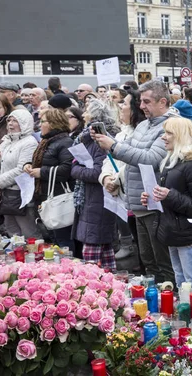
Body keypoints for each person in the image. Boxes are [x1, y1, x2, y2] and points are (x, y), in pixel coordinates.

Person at [93, 80, 175, 284]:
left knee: (163, 262)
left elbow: (151, 158)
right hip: (139, 203)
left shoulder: (171, 125)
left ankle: (171, 303)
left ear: (162, 102)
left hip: (156, 204)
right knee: (148, 259)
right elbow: (125, 152)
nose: (142, 106)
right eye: (141, 101)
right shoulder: (144, 125)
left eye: (147, 102)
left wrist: (114, 146)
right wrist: (110, 173)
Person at [141, 117, 192, 293]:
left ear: (181, 136)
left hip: (188, 236)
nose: (163, 137)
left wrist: (170, 196)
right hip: (176, 233)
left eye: (169, 133)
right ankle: (189, 320)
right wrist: (154, 199)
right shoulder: (174, 162)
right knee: (182, 284)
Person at [70, 100, 120, 270]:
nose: (83, 114)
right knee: (104, 249)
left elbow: (98, 173)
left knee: (92, 249)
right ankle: (109, 282)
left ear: (95, 116)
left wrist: (75, 169)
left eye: (87, 111)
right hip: (93, 199)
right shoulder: (88, 138)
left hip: (97, 200)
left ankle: (95, 287)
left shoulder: (99, 141)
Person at [99, 89, 146, 261]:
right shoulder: (121, 133)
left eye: (124, 103)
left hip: (135, 194)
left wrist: (117, 180)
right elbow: (108, 160)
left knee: (145, 246)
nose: (120, 106)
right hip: (122, 193)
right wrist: (106, 178)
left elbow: (134, 163)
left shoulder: (141, 134)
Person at [23, 109, 75, 253]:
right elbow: (42, 161)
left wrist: (41, 172)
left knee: (63, 239)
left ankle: (70, 268)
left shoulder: (65, 142)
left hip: (59, 197)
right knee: (54, 238)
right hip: (45, 195)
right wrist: (28, 164)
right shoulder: (46, 142)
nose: (40, 125)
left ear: (53, 123)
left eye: (43, 121)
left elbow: (67, 169)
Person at [0, 110, 40, 238]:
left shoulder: (29, 142)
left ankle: (34, 256)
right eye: (9, 120)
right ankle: (16, 256)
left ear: (25, 123)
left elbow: (21, 169)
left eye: (15, 120)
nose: (10, 123)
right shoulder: (7, 141)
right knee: (12, 231)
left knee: (28, 231)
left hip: (20, 193)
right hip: (6, 193)